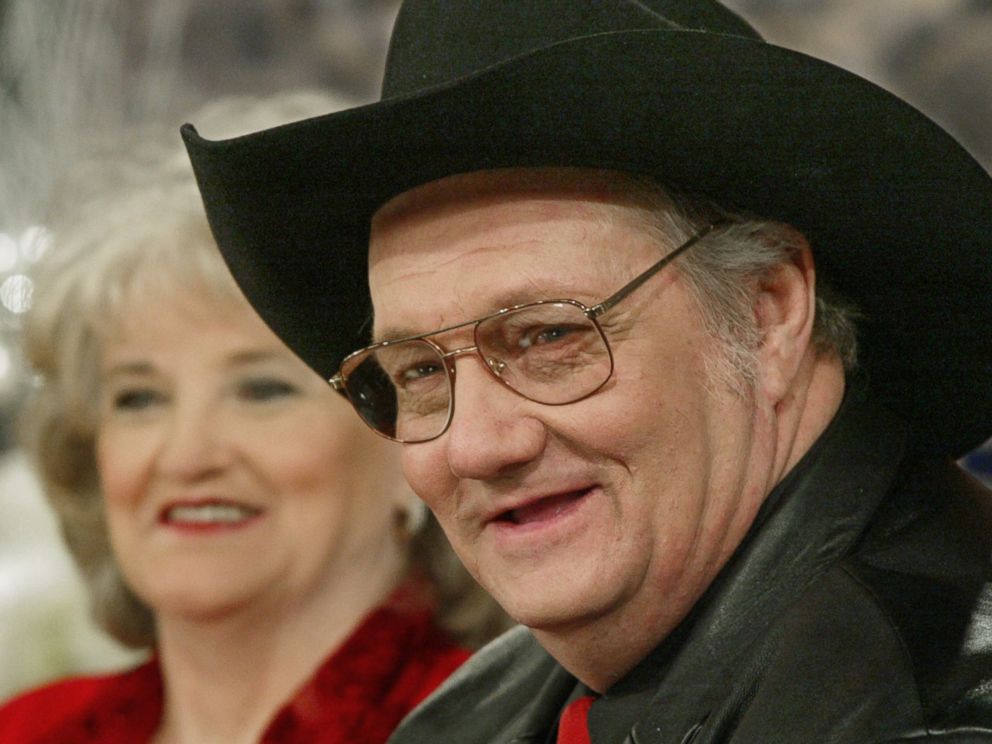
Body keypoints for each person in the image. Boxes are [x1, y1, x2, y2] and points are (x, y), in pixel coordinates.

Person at [181, 3, 992, 742]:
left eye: (547, 336)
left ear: (770, 311)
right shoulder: (475, 718)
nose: (475, 447)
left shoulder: (939, 711)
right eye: (420, 371)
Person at [0, 91, 507, 744]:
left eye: (262, 390)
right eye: (139, 399)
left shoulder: (511, 729)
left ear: (410, 432)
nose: (187, 455)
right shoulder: (31, 730)